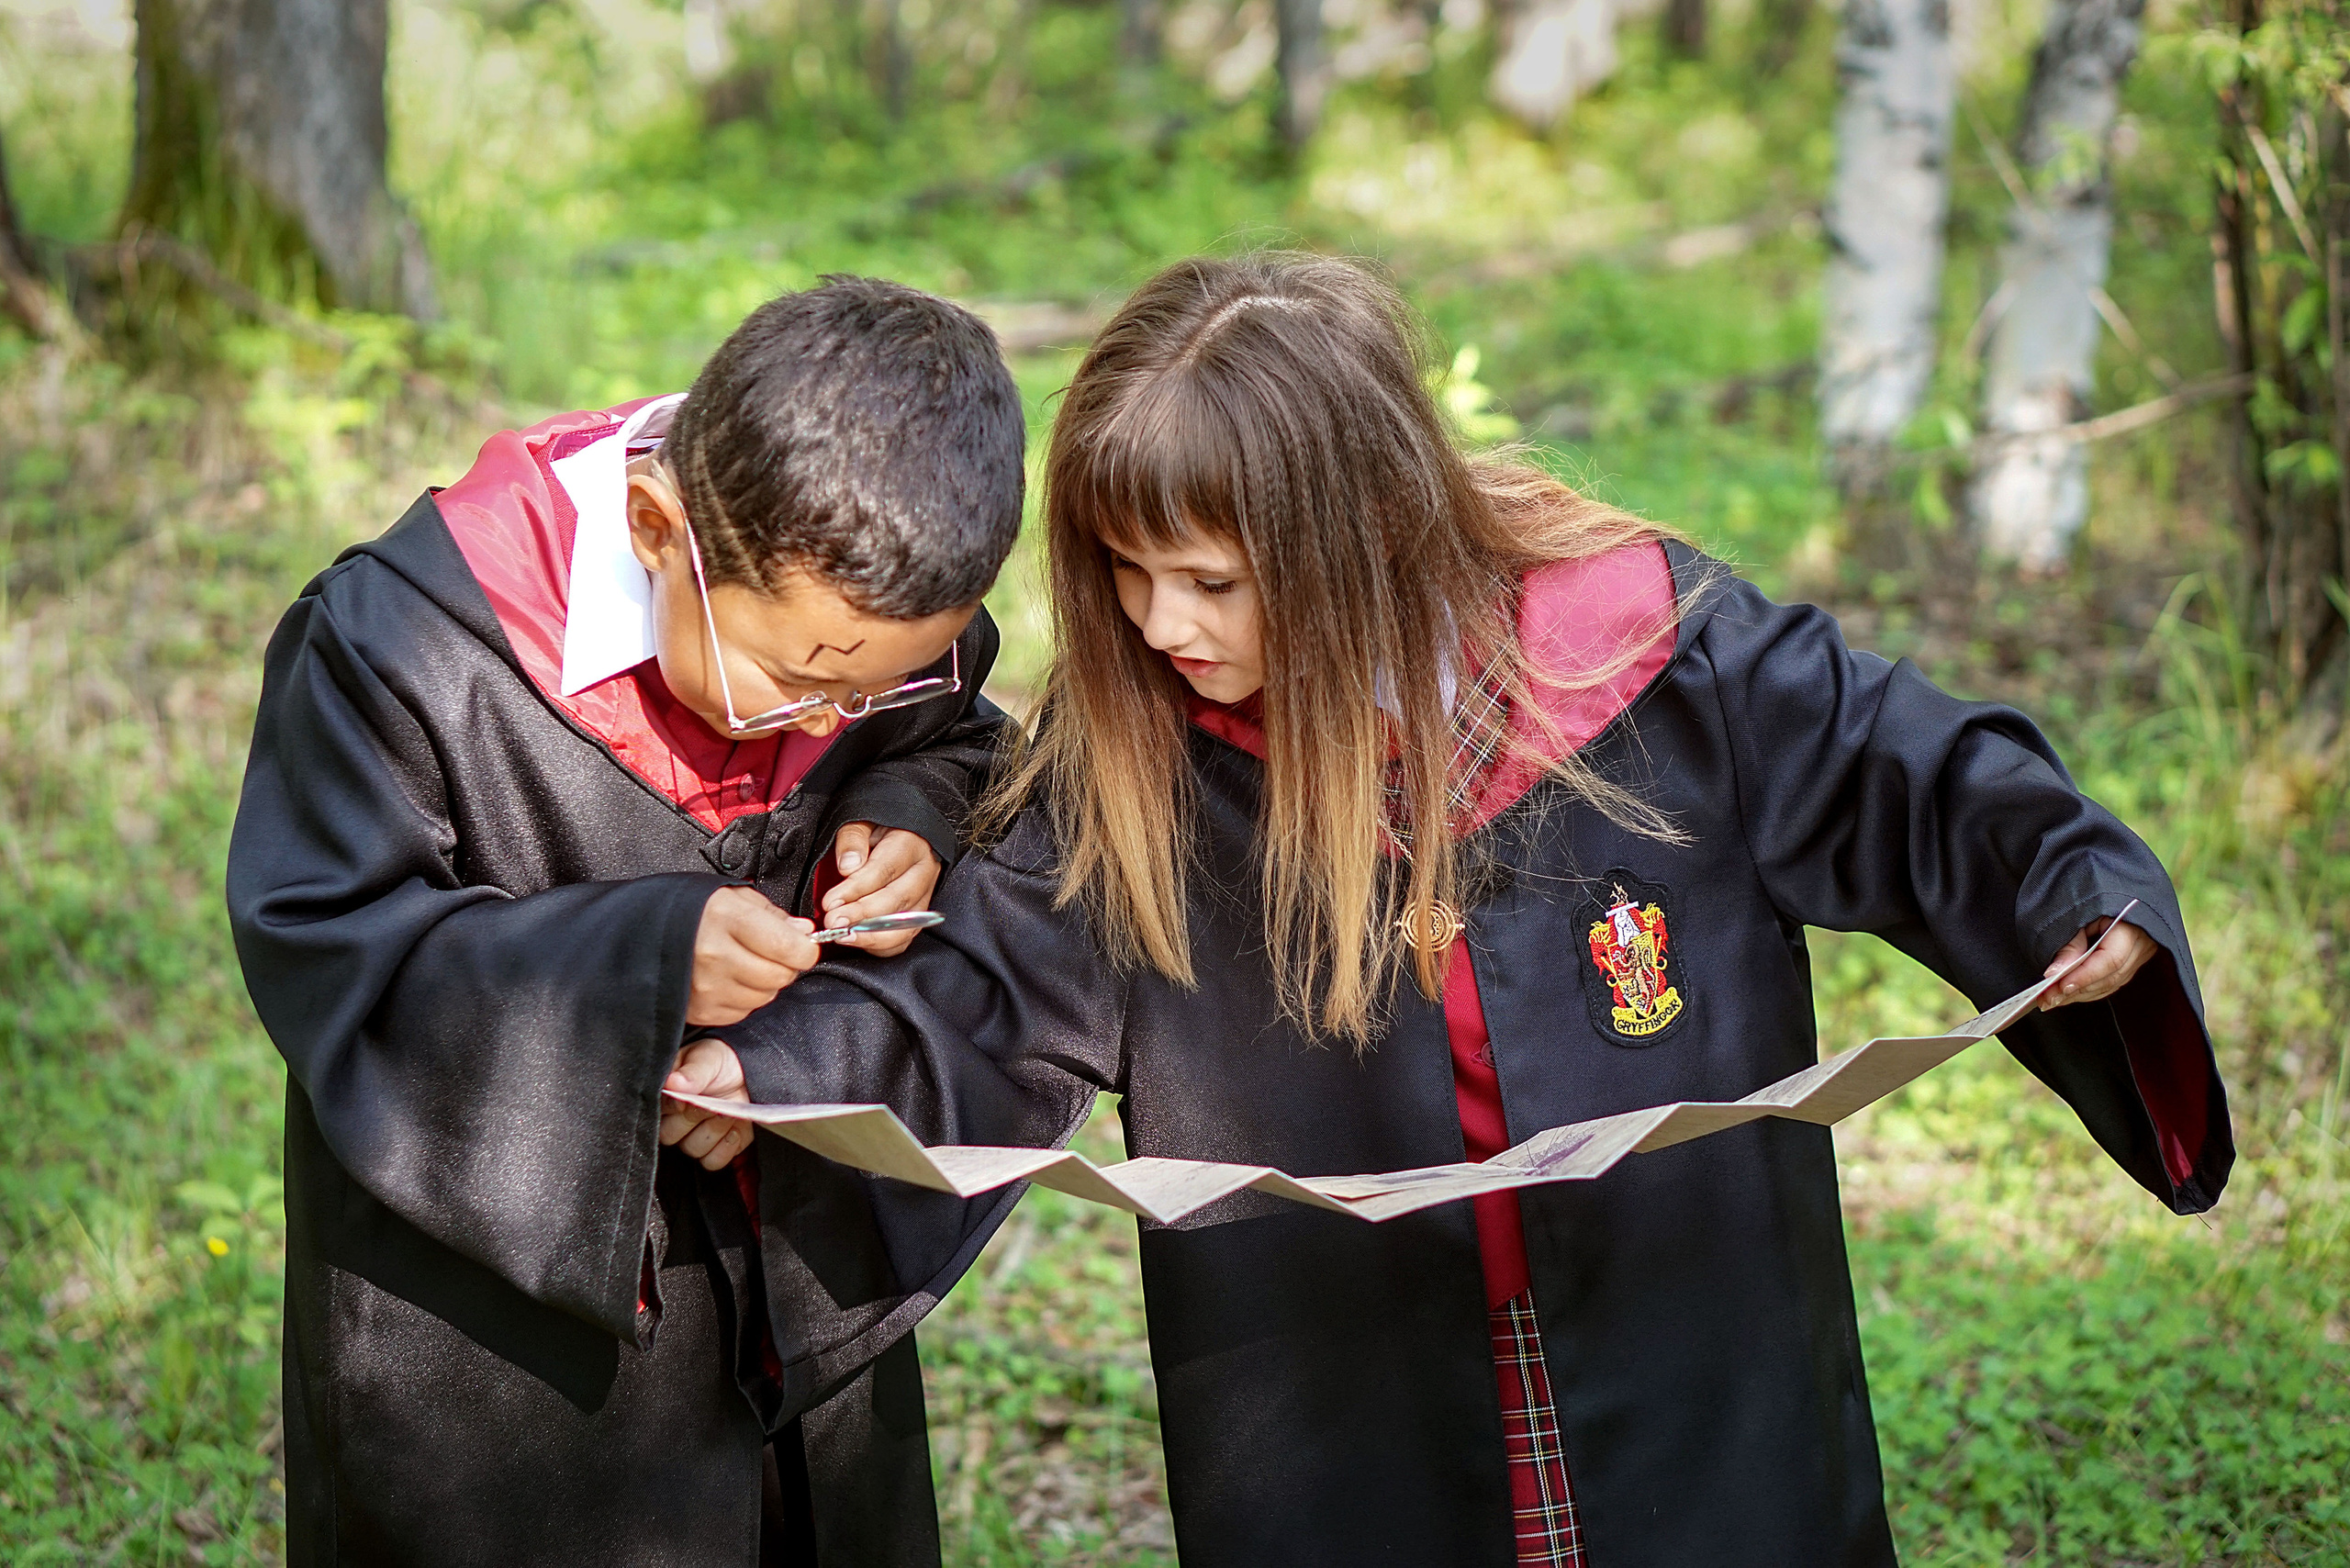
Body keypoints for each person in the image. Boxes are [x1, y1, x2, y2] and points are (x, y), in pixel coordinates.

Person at [712, 254, 2234, 1568]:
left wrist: (2071, 886)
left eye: (1210, 581)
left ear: (1361, 533)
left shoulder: (1653, 664)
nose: (1159, 625)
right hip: (1341, 1391)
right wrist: (765, 1081)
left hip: (1682, 1336)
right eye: (1125, 574)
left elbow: (1913, 773)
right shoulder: (1142, 772)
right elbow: (969, 1005)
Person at [228, 277, 1046, 1565]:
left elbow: (951, 739)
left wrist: (908, 815)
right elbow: (336, 949)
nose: (828, 723)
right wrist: (647, 964)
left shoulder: (854, 618)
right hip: (496, 1353)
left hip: (784, 1285)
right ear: (656, 526)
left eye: (875, 688)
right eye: (795, 685)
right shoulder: (402, 650)